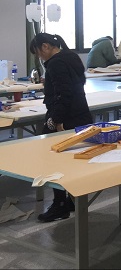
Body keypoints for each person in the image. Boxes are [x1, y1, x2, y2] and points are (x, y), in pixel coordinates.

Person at [29, 33, 93, 222]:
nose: (40, 57)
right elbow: (75, 85)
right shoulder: (71, 57)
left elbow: (63, 94)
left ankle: (60, 204)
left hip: (66, 118)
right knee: (71, 161)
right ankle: (71, 199)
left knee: (51, 159)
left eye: (38, 52)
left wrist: (54, 121)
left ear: (46, 46)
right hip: (81, 115)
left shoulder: (56, 63)